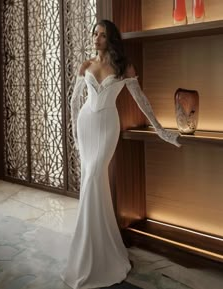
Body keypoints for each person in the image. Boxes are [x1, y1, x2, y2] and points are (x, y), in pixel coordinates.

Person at [61, 19, 181, 289]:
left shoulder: (123, 66)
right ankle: (90, 250)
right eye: (95, 33)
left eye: (102, 35)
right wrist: (74, 137)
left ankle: (99, 252)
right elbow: (73, 101)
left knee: (93, 177)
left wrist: (161, 130)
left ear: (111, 39)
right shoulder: (86, 65)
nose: (96, 38)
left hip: (107, 127)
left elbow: (142, 100)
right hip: (87, 124)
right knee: (93, 183)